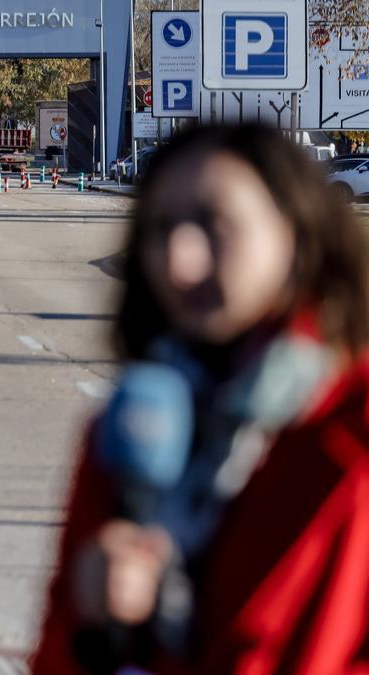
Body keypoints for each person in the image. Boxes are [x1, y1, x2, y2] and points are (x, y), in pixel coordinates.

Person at [31, 124, 369, 673]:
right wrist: (92, 632)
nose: (180, 260)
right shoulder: (124, 432)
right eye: (163, 228)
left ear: (298, 235)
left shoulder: (351, 436)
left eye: (216, 225)